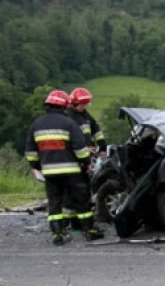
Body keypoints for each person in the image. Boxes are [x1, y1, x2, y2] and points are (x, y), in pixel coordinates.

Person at [24, 90, 104, 245]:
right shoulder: (68, 123)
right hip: (72, 172)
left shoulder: (37, 124)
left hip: (49, 173)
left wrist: (39, 166)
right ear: (64, 105)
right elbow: (80, 149)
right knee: (82, 201)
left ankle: (57, 235)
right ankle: (90, 231)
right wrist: (86, 162)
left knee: (54, 203)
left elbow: (30, 153)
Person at [67, 87, 106, 227]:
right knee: (76, 191)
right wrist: (84, 149)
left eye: (86, 104)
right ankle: (76, 222)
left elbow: (96, 130)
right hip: (74, 159)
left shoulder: (85, 115)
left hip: (86, 158)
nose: (84, 107)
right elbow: (70, 140)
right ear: (74, 103)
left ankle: (83, 219)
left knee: (85, 188)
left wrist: (102, 146)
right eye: (82, 104)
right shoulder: (68, 116)